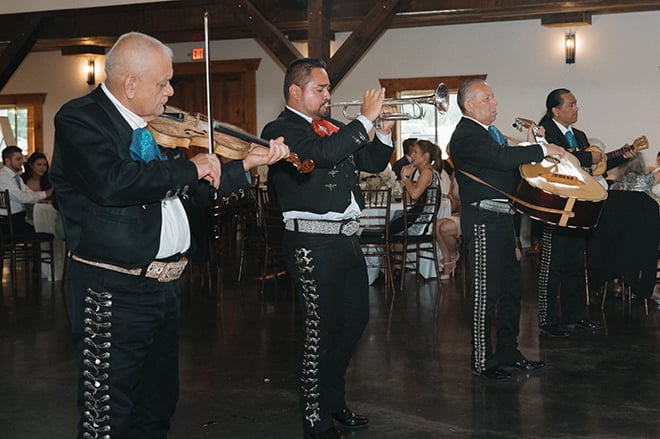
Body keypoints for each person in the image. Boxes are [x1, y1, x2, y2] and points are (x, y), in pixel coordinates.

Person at [50, 32, 290, 439]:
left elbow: (188, 190)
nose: (171, 91)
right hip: (112, 288)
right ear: (130, 85)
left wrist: (245, 164)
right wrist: (192, 167)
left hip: (163, 289)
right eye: (163, 82)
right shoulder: (79, 119)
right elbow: (115, 182)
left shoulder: (150, 129)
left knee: (157, 405)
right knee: (107, 412)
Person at [261, 57, 394, 439]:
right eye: (320, 89)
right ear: (294, 92)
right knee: (319, 331)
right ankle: (315, 417)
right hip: (310, 243)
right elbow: (323, 155)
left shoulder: (332, 126)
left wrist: (381, 131)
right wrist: (364, 120)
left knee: (353, 322)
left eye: (327, 88)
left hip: (346, 240)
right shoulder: (281, 129)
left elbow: (370, 159)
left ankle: (335, 401)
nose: (328, 95)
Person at [450, 79, 566, 381]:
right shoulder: (466, 134)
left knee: (511, 291)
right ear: (469, 105)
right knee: (484, 293)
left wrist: (529, 144)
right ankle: (481, 359)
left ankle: (507, 351)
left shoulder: (487, 134)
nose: (495, 104)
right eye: (487, 99)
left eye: (493, 98)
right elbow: (501, 159)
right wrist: (541, 148)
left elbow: (505, 164)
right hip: (483, 220)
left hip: (502, 220)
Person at [535, 88, 635, 338]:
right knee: (552, 266)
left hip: (578, 208)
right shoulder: (544, 131)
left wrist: (620, 157)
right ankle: (547, 320)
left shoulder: (579, 135)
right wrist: (586, 156)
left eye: (576, 104)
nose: (576, 108)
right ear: (555, 110)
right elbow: (555, 160)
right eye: (571, 105)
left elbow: (592, 169)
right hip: (555, 209)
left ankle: (575, 316)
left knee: (574, 265)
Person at [390, 139, 442, 282]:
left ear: (425, 156)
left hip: (423, 221)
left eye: (415, 153)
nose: (412, 155)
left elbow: (414, 194)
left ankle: (393, 268)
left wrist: (405, 179)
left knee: (391, 227)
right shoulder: (420, 173)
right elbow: (408, 199)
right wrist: (406, 179)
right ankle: (396, 268)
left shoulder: (427, 172)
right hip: (417, 214)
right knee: (394, 223)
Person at [0, 145, 53, 234]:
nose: (22, 161)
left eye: (22, 159)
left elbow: (28, 192)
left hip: (18, 218)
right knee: (49, 230)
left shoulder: (15, 177)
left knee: (48, 224)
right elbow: (23, 197)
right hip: (12, 223)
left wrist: (41, 194)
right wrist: (46, 194)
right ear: (7, 161)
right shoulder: (3, 177)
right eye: (18, 159)